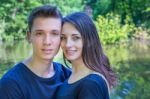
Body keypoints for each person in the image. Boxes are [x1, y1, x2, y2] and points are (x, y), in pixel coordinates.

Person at [0, 5, 71, 99]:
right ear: (29, 36)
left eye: (54, 34)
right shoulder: (10, 84)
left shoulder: (68, 76)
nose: (47, 42)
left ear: (61, 37)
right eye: (39, 33)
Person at [56, 12, 117, 99]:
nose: (67, 44)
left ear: (89, 40)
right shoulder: (71, 75)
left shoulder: (91, 83)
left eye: (75, 38)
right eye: (63, 38)